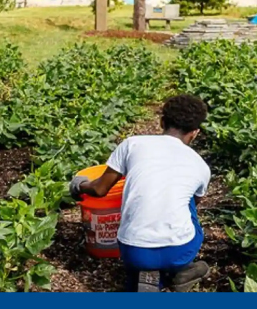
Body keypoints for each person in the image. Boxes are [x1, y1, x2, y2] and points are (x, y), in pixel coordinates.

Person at [69, 94, 211, 292]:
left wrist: (78, 186)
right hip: (179, 251)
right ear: (195, 133)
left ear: (162, 122)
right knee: (189, 203)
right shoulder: (200, 165)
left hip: (133, 251)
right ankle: (179, 271)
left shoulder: (133, 144)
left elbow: (99, 189)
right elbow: (194, 204)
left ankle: (146, 276)